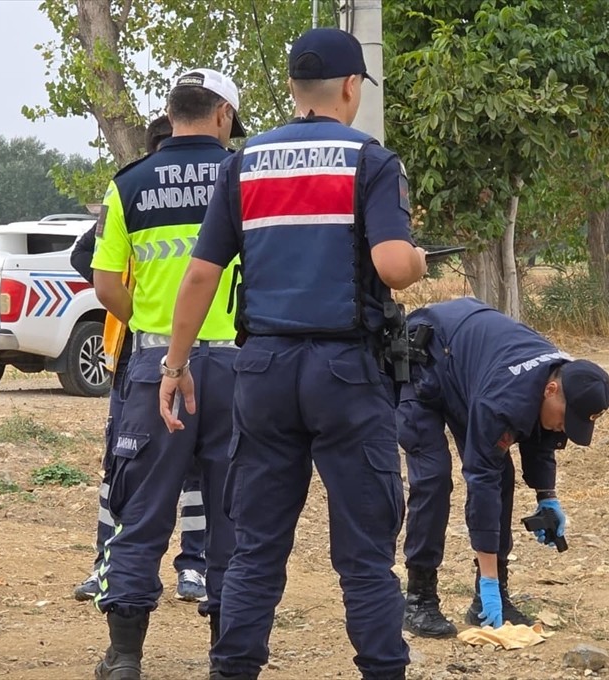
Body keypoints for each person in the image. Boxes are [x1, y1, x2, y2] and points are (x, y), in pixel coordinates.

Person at [159, 27, 427, 680]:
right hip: (347, 373)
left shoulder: (243, 164)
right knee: (364, 556)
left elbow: (200, 276)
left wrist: (174, 366)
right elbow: (393, 267)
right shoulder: (370, 160)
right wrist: (416, 258)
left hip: (264, 372)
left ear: (291, 89)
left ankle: (234, 670)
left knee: (254, 549)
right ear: (350, 87)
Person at [89, 68, 246, 680]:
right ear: (223, 116)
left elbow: (105, 285)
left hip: (157, 365)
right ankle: (227, 657)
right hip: (238, 363)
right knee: (235, 514)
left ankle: (125, 656)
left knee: (142, 513)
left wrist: (154, 324)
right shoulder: (245, 176)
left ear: (172, 112)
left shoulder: (129, 183)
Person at [398, 297, 609, 637]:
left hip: (469, 365)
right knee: (434, 478)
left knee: (502, 473)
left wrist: (547, 497)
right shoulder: (504, 401)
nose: (563, 427)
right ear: (551, 389)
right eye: (565, 418)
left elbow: (542, 437)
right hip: (427, 357)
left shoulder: (559, 375)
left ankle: (488, 599)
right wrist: (488, 580)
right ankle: (419, 598)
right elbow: (481, 480)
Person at [71, 115, 213, 605]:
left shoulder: (131, 188)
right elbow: (87, 260)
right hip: (140, 352)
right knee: (126, 468)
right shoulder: (134, 197)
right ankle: (113, 562)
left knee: (159, 469)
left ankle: (185, 565)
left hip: (150, 351)